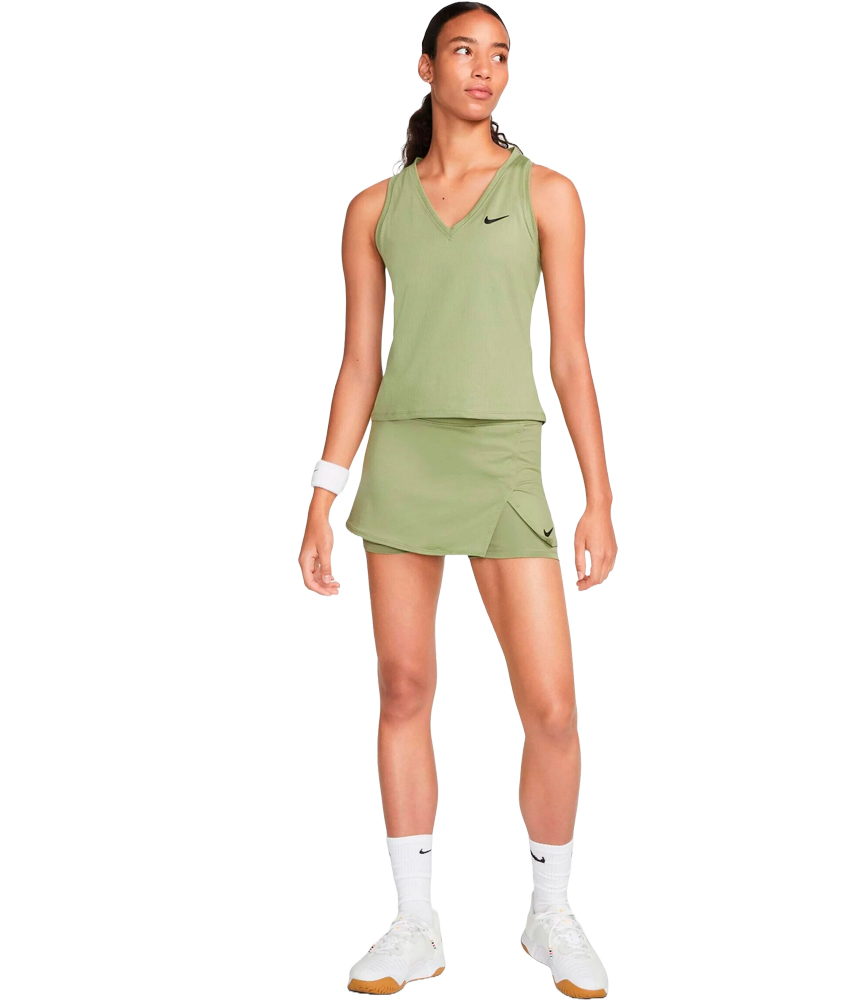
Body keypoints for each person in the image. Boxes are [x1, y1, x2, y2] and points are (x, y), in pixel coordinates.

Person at [298, 4, 617, 995]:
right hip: (403, 460)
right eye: (466, 51)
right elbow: (360, 363)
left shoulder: (548, 194)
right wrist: (322, 495)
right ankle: (414, 925)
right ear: (427, 66)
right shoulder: (373, 208)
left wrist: (598, 498)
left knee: (552, 707)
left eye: (501, 55)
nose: (486, 69)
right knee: (402, 689)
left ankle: (550, 911)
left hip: (503, 463)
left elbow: (570, 357)